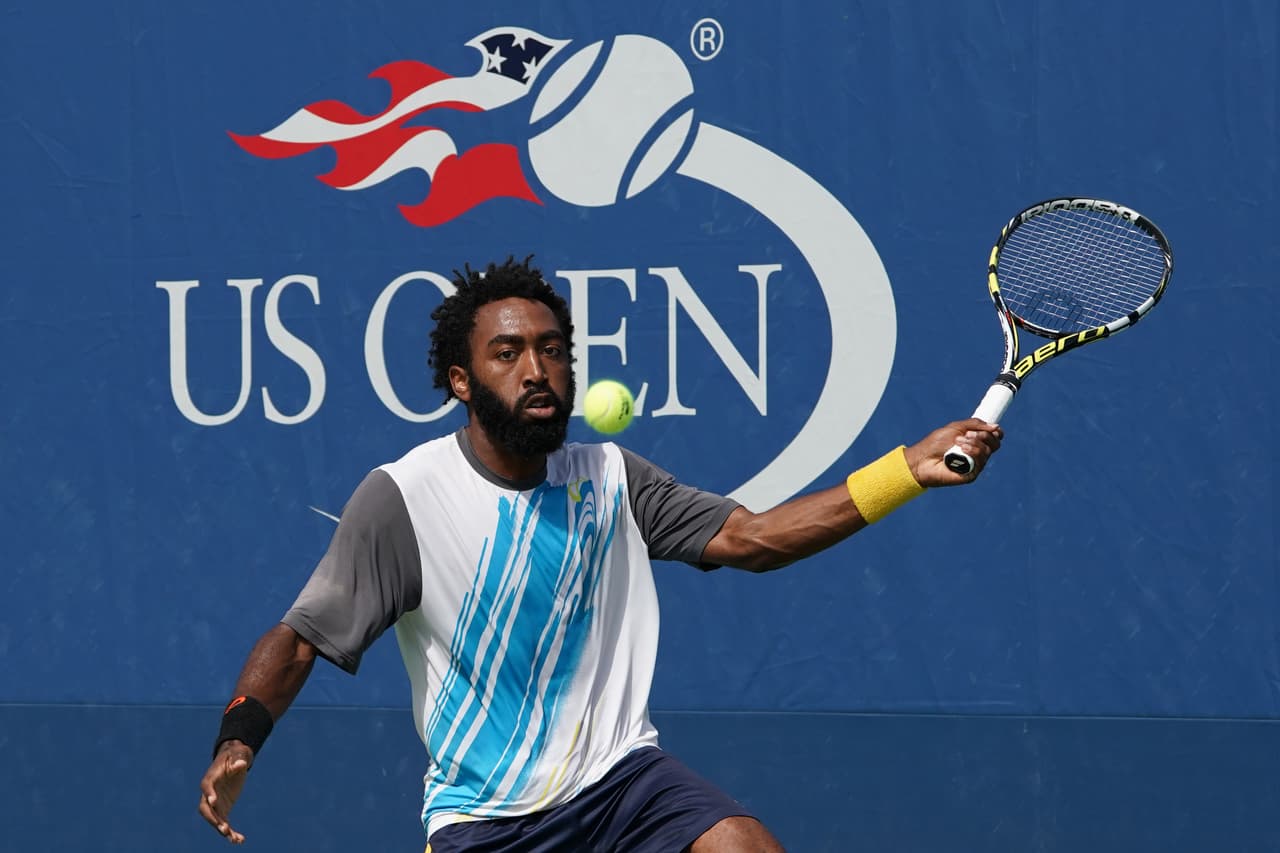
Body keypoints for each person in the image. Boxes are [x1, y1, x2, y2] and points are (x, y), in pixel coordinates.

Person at [198, 257, 1003, 851]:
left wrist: (907, 469)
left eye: (552, 350)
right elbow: (299, 640)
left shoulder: (612, 475)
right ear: (461, 381)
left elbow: (753, 538)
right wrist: (239, 738)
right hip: (485, 820)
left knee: (743, 844)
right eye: (508, 353)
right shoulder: (405, 496)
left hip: (620, 784)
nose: (537, 370)